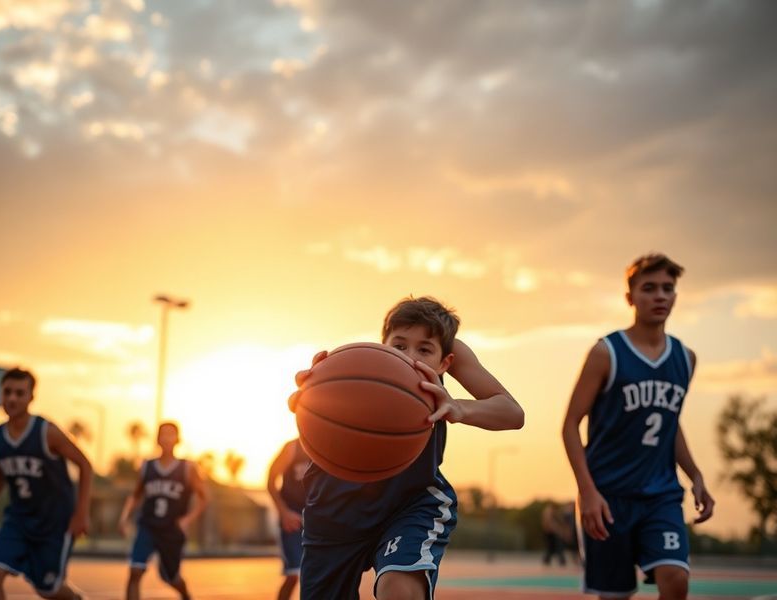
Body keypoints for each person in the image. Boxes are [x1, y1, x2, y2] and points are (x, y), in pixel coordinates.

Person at [288, 295, 525, 599]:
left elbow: (513, 413)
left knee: (399, 588)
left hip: (409, 502)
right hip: (334, 508)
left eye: (424, 350)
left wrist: (458, 407)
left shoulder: (444, 352)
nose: (411, 356)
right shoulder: (363, 367)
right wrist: (311, 398)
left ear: (444, 363)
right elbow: (315, 409)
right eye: (399, 346)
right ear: (383, 344)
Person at [562, 254, 715, 599]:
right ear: (630, 297)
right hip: (607, 495)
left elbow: (669, 424)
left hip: (660, 494)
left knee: (676, 578)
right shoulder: (606, 352)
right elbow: (570, 425)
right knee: (615, 595)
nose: (660, 296)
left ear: (675, 295)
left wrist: (696, 475)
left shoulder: (685, 358)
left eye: (667, 288)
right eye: (649, 288)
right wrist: (587, 492)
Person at [0, 367, 92, 599]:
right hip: (18, 520)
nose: (12, 398)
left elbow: (85, 465)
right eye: (7, 392)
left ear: (31, 397)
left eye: (19, 393)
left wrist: (81, 513)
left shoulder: (47, 432)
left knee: (48, 590)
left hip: (53, 523)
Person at [118, 421, 208, 600]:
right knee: (135, 571)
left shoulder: (187, 468)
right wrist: (124, 517)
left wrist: (187, 520)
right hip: (148, 525)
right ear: (157, 439)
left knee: (170, 577)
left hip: (171, 531)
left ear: (177, 439)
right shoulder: (147, 466)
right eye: (163, 434)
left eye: (171, 434)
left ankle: (185, 594)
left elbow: (203, 498)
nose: (166, 438)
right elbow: (136, 495)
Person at [267, 438, 310, 600]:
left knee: (321, 574)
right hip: (293, 518)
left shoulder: (328, 445)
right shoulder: (293, 447)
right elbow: (271, 480)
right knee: (293, 574)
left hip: (318, 518)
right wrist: (284, 511)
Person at [541, 501, 567, 566]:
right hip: (551, 532)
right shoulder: (549, 512)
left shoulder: (548, 511)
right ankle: (561, 560)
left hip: (549, 532)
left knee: (551, 547)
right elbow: (549, 523)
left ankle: (547, 559)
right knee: (556, 546)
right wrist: (557, 530)